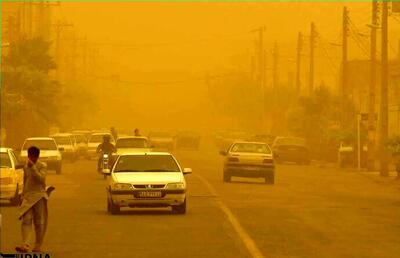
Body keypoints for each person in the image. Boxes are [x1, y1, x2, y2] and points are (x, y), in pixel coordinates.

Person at [16, 146, 54, 253]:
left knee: (39, 222)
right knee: (26, 220)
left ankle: (38, 245)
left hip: (39, 196)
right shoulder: (26, 167)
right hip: (28, 197)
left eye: (32, 156)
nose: (30, 158)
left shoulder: (42, 166)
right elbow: (26, 181)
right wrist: (22, 195)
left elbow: (41, 179)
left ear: (37, 156)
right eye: (29, 156)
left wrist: (33, 167)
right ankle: (25, 245)